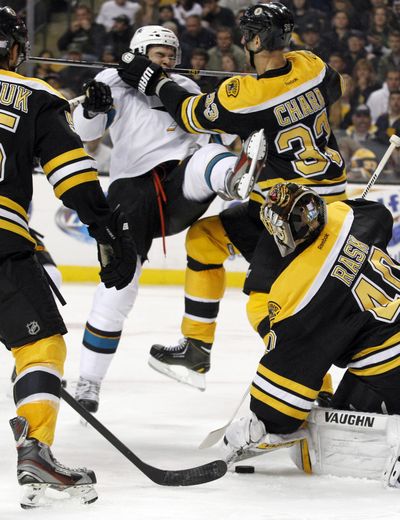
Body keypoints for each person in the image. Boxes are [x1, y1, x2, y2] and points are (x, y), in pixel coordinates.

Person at [117, 2, 347, 391]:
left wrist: (152, 80)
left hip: (288, 215)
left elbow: (189, 113)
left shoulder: (246, 95)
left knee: (266, 305)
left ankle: (315, 388)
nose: (242, 40)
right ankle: (195, 347)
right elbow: (331, 89)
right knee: (204, 239)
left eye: (246, 34)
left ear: (255, 39)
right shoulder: (313, 65)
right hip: (331, 201)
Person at [73, 25, 265, 411]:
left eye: (171, 55)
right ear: (140, 51)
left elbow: (221, 132)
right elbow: (84, 130)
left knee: (209, 157)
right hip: (131, 193)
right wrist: (91, 107)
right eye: (159, 53)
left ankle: (234, 179)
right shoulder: (111, 80)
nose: (168, 61)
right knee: (118, 287)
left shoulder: (183, 88)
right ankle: (88, 382)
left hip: (178, 186)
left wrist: (238, 119)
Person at [0, 6, 137, 508]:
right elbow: (74, 176)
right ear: (16, 49)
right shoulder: (35, 96)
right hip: (2, 242)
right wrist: (107, 230)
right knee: (40, 350)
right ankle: (35, 447)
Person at [222, 181, 400, 491]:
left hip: (392, 367)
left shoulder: (299, 292)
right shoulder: (347, 215)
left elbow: (282, 410)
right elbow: (379, 214)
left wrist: (260, 424)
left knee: (313, 449)